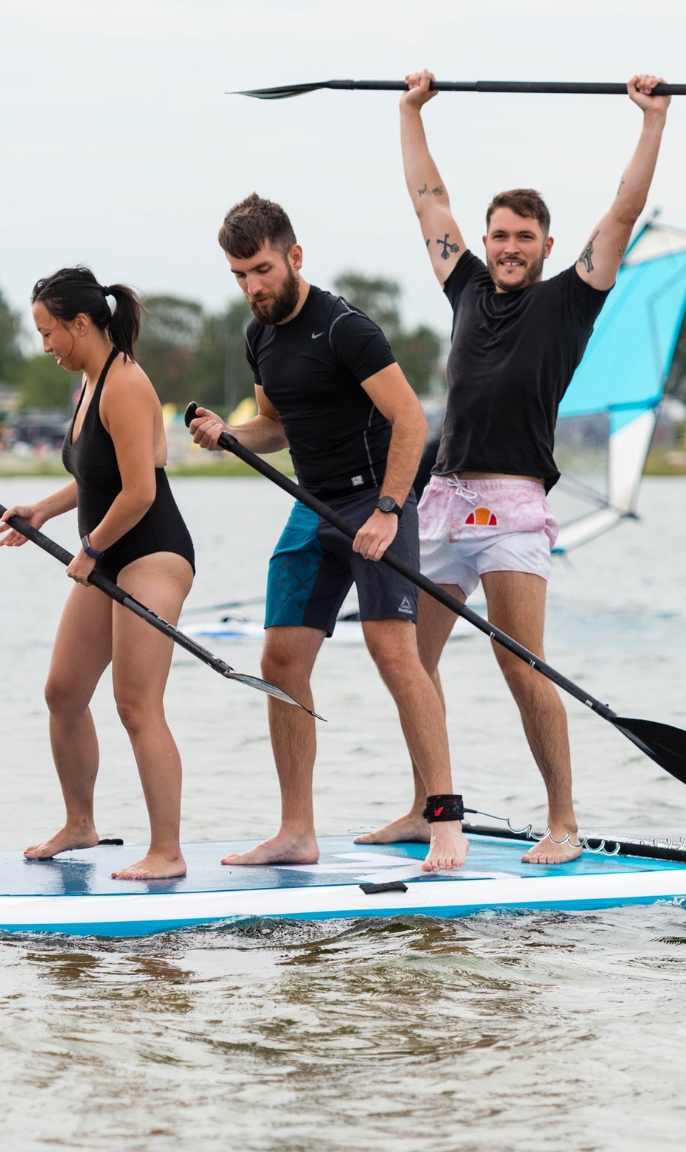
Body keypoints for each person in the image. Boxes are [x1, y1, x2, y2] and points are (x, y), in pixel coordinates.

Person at [385, 70, 672, 864]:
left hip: (512, 506)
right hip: (443, 500)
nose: (509, 249)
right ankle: (426, 805)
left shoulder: (571, 298)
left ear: (546, 246)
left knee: (521, 666)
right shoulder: (466, 287)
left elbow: (623, 212)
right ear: (485, 243)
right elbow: (427, 198)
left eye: (523, 237)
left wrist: (651, 121)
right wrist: (410, 111)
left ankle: (564, 822)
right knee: (412, 661)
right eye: (499, 236)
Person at [187, 194, 467, 872]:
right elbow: (276, 426)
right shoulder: (260, 337)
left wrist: (389, 509)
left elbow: (411, 421)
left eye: (260, 270)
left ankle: (446, 819)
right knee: (279, 661)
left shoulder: (347, 329)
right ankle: (295, 832)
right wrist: (229, 434)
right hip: (313, 505)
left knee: (396, 655)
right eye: (239, 276)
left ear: (294, 257)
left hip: (376, 499)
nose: (252, 287)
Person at [0, 268, 196, 880]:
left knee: (136, 704)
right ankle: (81, 823)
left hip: (153, 553)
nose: (44, 345)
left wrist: (92, 547)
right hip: (108, 553)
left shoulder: (126, 382)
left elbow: (138, 491)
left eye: (48, 332)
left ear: (81, 324)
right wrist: (42, 511)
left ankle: (168, 852)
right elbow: (96, 477)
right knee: (63, 693)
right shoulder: (86, 383)